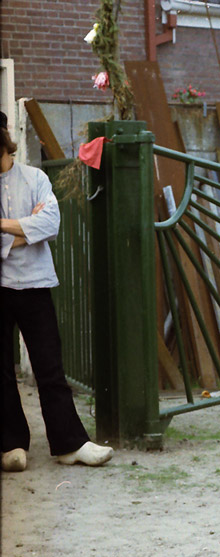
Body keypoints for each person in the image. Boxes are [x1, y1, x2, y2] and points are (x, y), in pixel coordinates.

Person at [1, 110, 114, 472]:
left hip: (34, 285)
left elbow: (51, 223)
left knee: (50, 367)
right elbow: (37, 228)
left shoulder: (34, 178)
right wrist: (24, 231)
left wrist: (5, 227)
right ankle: (10, 445)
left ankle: (69, 444)